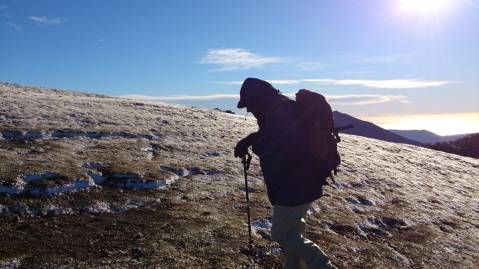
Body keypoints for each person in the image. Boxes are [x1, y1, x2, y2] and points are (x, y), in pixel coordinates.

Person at [234, 78, 337, 269]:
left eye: (249, 105)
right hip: (303, 182)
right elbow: (275, 136)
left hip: (294, 185)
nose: (249, 110)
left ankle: (323, 265)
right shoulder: (278, 108)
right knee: (293, 233)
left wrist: (257, 145)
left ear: (258, 99)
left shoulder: (279, 113)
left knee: (281, 234)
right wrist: (250, 139)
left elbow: (285, 149)